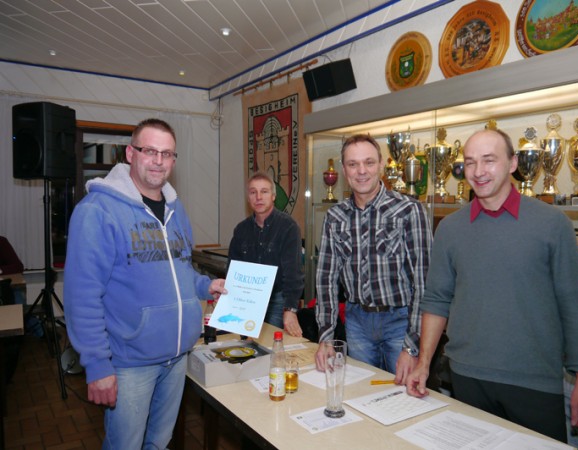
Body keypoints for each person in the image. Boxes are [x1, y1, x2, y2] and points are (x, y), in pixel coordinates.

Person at [406, 129, 578, 442]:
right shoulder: (450, 229)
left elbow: (575, 304)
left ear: (513, 163)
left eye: (489, 160)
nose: (478, 171)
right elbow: (436, 300)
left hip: (535, 382)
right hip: (466, 377)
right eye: (470, 162)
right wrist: (423, 363)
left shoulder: (552, 224)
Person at [64, 118, 226, 450]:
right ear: (130, 153)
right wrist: (97, 364)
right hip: (130, 363)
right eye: (150, 151)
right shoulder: (97, 210)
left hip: (177, 356)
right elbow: (82, 295)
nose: (158, 161)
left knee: (159, 443)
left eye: (167, 154)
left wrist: (203, 286)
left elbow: (179, 269)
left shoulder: (176, 209)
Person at [314, 134, 432, 381]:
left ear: (380, 165)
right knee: (360, 392)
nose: (361, 171)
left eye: (368, 162)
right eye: (353, 164)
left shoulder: (409, 211)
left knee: (403, 394)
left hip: (401, 322)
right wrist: (326, 336)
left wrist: (413, 345)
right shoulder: (335, 217)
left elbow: (424, 283)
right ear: (344, 170)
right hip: (357, 322)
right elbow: (326, 280)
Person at [228, 171, 304, 336]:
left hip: (277, 302)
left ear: (273, 196)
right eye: (253, 192)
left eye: (264, 191)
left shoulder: (288, 227)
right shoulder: (241, 230)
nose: (258, 197)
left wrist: (290, 309)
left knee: (271, 345)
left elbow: (293, 273)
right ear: (248, 198)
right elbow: (232, 270)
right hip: (246, 300)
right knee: (245, 344)